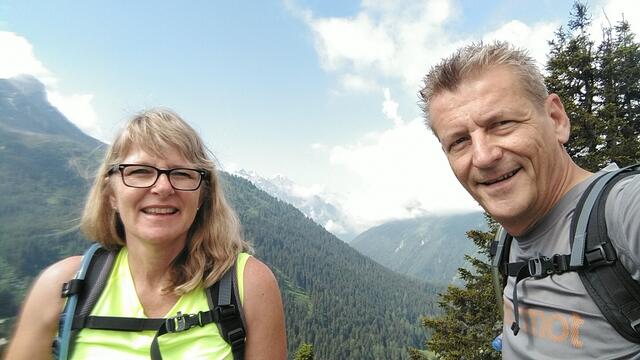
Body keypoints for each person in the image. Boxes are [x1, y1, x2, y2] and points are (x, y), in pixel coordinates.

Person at [6, 108, 287, 359]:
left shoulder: (247, 284)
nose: (163, 187)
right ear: (111, 194)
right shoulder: (63, 287)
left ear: (203, 195)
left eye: (181, 173)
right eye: (140, 171)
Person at [419, 41, 640, 358]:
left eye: (501, 123)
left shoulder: (624, 209)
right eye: (459, 141)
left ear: (555, 119)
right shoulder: (508, 239)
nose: (482, 157)